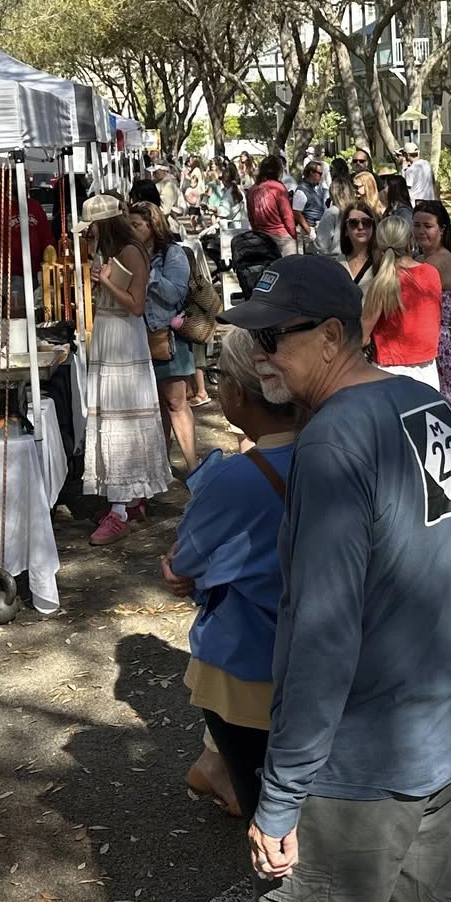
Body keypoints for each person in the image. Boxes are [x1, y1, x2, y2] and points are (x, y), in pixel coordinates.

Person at [217, 257, 451, 902]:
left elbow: (322, 633)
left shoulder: (332, 443)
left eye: (274, 336)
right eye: (253, 338)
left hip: (364, 770)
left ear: (333, 337)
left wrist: (279, 797)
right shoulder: (427, 406)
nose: (259, 354)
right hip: (444, 746)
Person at [163, 326, 300, 823]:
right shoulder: (335, 450)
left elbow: (187, 558)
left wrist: (184, 574)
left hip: (247, 655)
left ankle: (233, 782)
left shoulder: (233, 477)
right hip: (324, 645)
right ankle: (215, 766)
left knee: (266, 792)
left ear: (237, 393)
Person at [82, 195, 173, 544]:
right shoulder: (106, 249)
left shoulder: (132, 251)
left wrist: (105, 282)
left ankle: (121, 506)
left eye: (92, 226)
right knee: (112, 413)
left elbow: (136, 306)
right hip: (108, 332)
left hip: (123, 336)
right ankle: (129, 498)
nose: (88, 233)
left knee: (121, 414)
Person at [137, 203, 200, 475]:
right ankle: (161, 467)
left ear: (152, 226)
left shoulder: (172, 253)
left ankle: (192, 465)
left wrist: (148, 276)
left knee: (176, 402)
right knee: (158, 406)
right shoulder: (132, 254)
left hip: (167, 336)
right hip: (141, 337)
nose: (131, 230)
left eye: (136, 225)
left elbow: (175, 293)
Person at [361, 210, 442, 390]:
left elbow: (363, 337)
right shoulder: (431, 273)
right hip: (427, 368)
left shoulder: (382, 282)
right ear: (410, 243)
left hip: (388, 369)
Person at [0, 183, 54, 314]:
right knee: (18, 318)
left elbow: (46, 237)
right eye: (21, 179)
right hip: (8, 276)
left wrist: (49, 259)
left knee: (37, 315)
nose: (26, 183)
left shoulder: (34, 206)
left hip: (37, 274)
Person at [412, 199, 451, 404]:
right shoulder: (420, 258)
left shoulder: (440, 259)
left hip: (436, 344)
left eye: (427, 226)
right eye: (416, 225)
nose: (421, 231)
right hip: (422, 341)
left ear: (441, 229)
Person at [248, 155, 302, 257]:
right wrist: (293, 235)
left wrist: (257, 232)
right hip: (280, 236)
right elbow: (287, 215)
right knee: (290, 267)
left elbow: (251, 216)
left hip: (261, 236)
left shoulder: (252, 190)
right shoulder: (278, 188)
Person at [334, 200, 378, 283]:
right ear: (345, 230)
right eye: (353, 223)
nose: (360, 227)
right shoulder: (339, 263)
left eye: (366, 222)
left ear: (373, 227)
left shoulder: (382, 262)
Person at [294, 161, 330, 237]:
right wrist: (309, 231)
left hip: (320, 227)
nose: (321, 177)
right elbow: (296, 213)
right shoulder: (301, 191)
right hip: (310, 229)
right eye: (319, 174)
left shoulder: (318, 187)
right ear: (311, 173)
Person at [401, 142, 438, 206]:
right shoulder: (427, 164)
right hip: (430, 204)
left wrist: (403, 169)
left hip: (417, 206)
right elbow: (433, 182)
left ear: (407, 154)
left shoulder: (410, 170)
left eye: (404, 154)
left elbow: (406, 190)